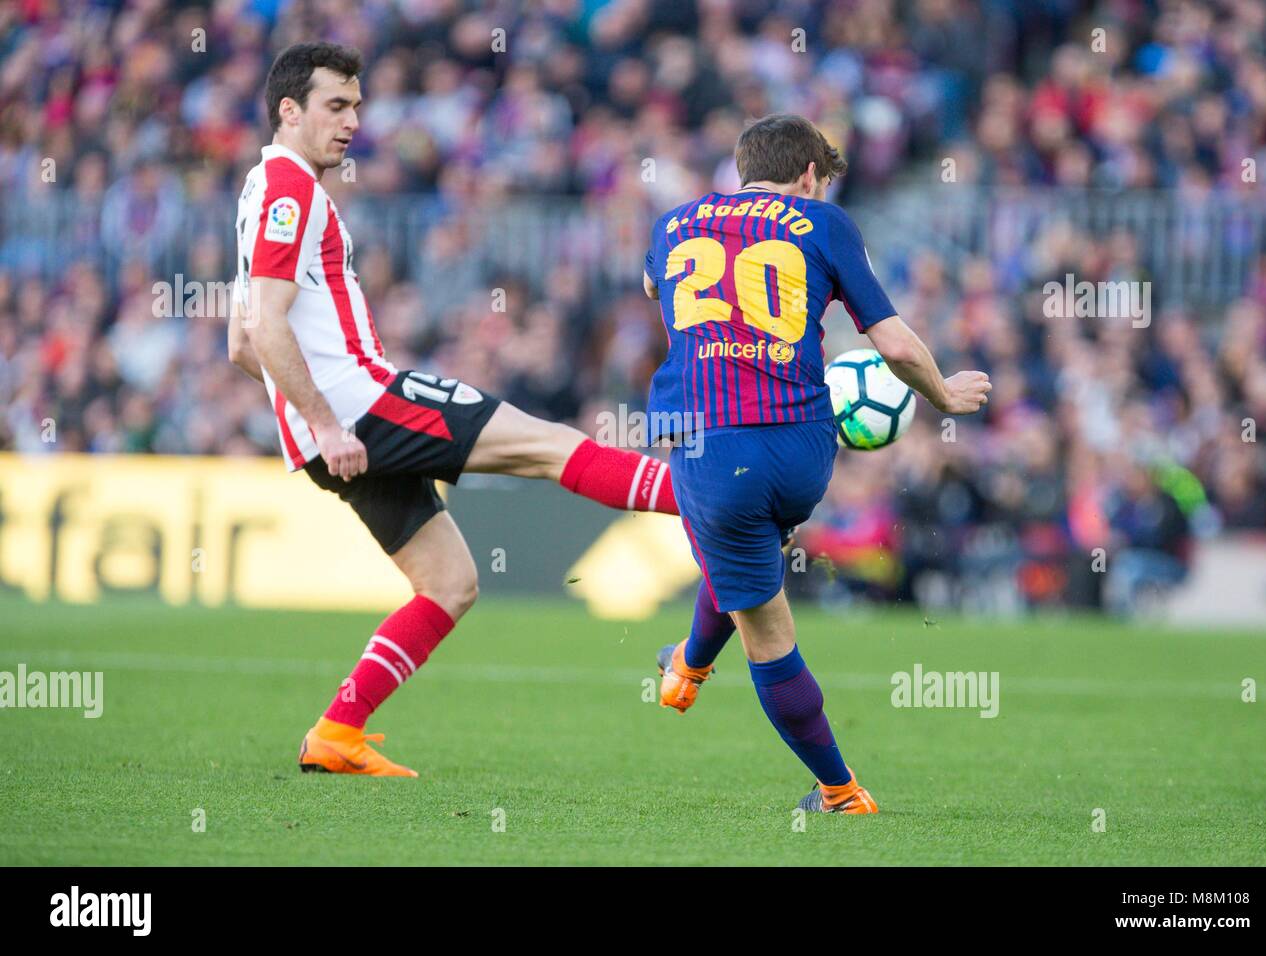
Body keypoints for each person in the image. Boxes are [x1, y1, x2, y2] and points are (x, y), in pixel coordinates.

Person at [228, 42, 679, 777]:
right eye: (335, 106)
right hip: (365, 407)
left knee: (450, 585)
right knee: (549, 445)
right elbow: (267, 330)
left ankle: (336, 734)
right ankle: (707, 502)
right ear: (290, 109)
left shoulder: (258, 189)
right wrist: (331, 419)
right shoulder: (291, 192)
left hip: (335, 430)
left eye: (357, 107)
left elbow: (239, 345)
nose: (351, 124)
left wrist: (310, 422)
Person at [643, 114, 991, 813]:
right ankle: (688, 663)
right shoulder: (822, 225)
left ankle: (839, 791)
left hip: (712, 443)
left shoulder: (675, 224)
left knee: (764, 625)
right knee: (749, 558)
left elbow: (656, 292)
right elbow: (890, 343)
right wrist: (944, 396)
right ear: (809, 176)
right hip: (804, 446)